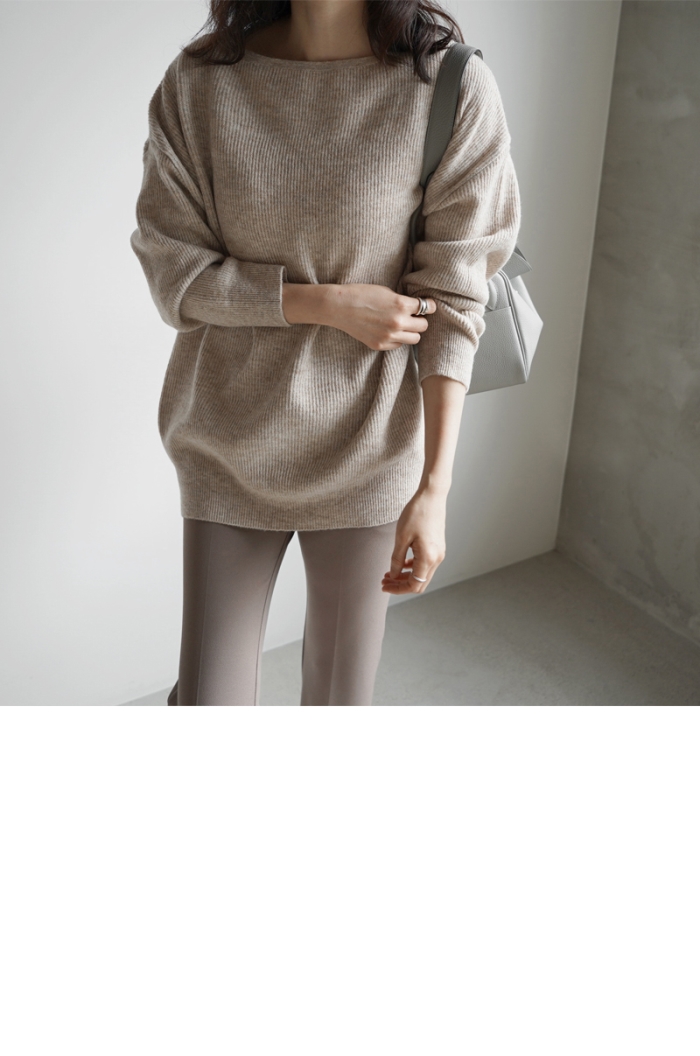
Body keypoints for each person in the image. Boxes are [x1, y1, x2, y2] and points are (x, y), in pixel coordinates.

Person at [130, 0, 521, 705]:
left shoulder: (448, 86)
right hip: (228, 441)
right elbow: (173, 272)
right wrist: (326, 304)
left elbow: (453, 302)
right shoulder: (201, 82)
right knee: (208, 707)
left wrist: (435, 487)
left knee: (338, 707)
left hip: (368, 449)